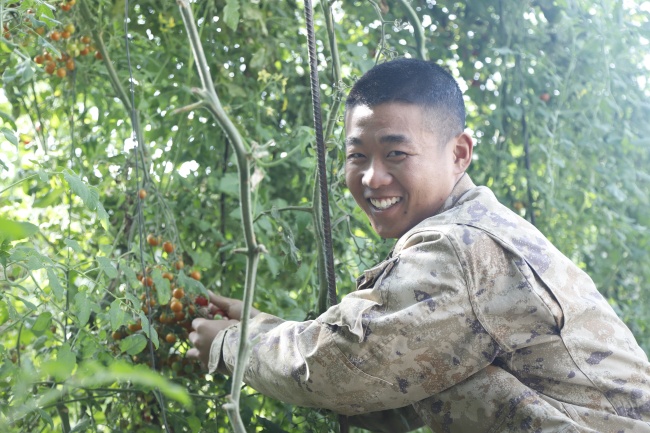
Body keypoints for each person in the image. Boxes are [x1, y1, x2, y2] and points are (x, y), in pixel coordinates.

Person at [187, 58, 650, 432]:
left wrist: (231, 344)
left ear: (459, 154)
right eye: (357, 156)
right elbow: (397, 385)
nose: (372, 177)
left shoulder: (460, 249)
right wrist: (260, 325)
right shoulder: (476, 227)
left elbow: (341, 368)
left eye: (396, 153)